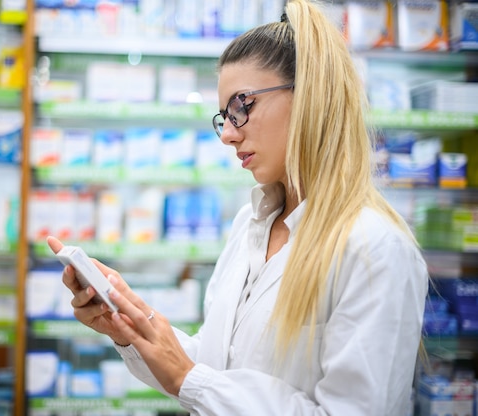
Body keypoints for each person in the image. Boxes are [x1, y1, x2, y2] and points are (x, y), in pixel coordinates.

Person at [47, 0, 429, 413]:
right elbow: (217, 367)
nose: (227, 134)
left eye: (241, 106)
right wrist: (132, 326)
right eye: (223, 116)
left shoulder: (374, 249)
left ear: (309, 98)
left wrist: (188, 378)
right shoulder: (251, 223)